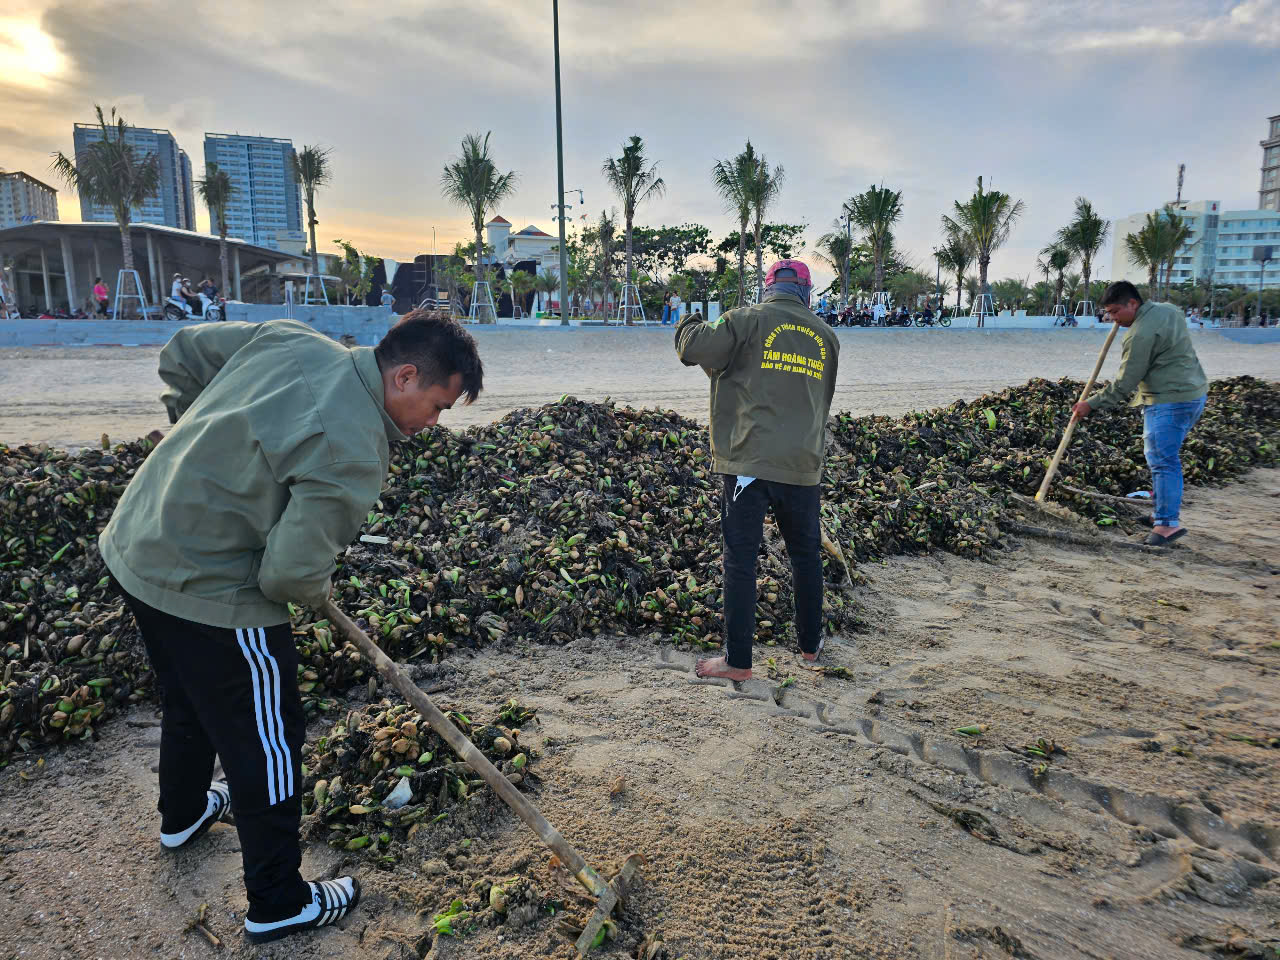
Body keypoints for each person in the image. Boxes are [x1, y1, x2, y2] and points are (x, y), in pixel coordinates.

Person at [98, 310, 484, 942]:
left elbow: (182, 355)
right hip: (211, 588)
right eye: (437, 406)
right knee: (269, 741)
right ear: (406, 376)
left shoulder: (289, 339)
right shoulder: (356, 447)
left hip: (138, 541)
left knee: (189, 695)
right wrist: (311, 577)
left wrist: (206, 449)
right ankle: (278, 901)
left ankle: (185, 814)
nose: (433, 425)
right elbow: (285, 580)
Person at [673, 259, 840, 680]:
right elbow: (824, 398)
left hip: (750, 460)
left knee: (741, 559)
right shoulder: (826, 337)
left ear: (768, 288)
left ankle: (738, 661)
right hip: (803, 464)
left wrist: (689, 318)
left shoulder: (745, 320)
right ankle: (808, 647)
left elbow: (692, 349)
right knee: (805, 556)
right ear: (806, 291)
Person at [1071, 281, 1207, 547]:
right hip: (1193, 393)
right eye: (1108, 313)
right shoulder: (1168, 310)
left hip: (1169, 399)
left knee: (1162, 459)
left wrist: (1091, 404)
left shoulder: (1139, 335)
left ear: (1133, 304)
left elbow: (1124, 384)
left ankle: (1167, 525)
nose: (1111, 318)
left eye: (1114, 311)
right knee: (1163, 458)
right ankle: (1161, 513)